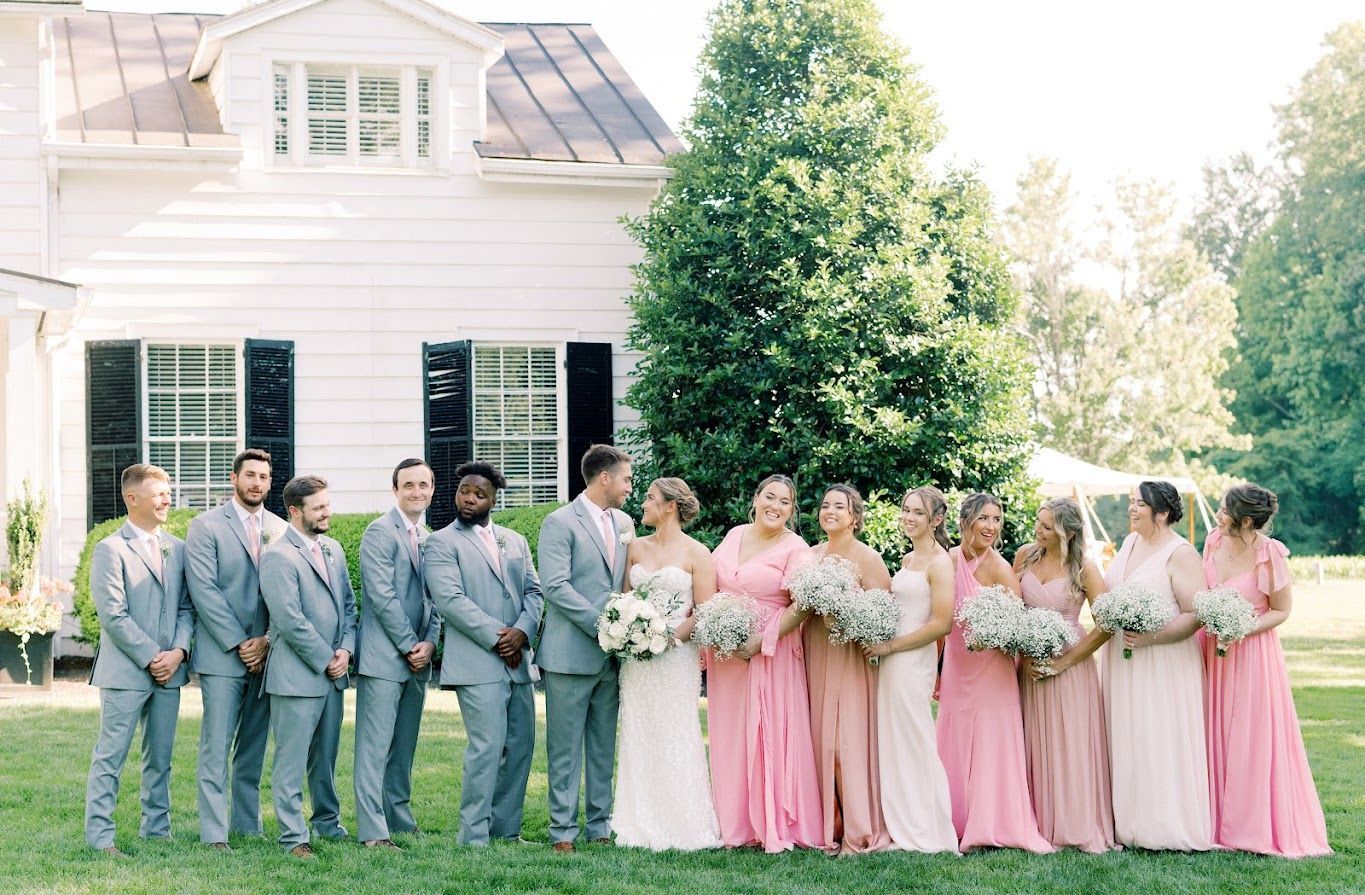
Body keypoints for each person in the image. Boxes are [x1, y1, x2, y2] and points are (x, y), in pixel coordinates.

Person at [1201, 484, 1330, 857]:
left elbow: (1281, 610)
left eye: (1224, 511)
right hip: (1211, 651)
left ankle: (1252, 825)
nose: (1218, 516)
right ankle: (1212, 821)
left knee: (1251, 737)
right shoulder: (1212, 542)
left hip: (1253, 654)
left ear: (1245, 520)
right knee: (1215, 731)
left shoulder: (1270, 554)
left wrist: (1239, 627)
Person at [425, 461, 542, 846]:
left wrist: (522, 632)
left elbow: (534, 593)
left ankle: (506, 831)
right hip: (478, 662)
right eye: (464, 492)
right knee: (487, 747)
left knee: (521, 745)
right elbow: (450, 600)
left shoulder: (515, 541)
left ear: (494, 499)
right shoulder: (442, 542)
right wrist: (499, 638)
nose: (469, 499)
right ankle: (473, 834)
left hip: (517, 662)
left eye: (479, 494)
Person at [706, 474, 825, 853]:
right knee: (731, 734)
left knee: (767, 732)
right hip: (728, 654)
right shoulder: (734, 534)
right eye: (769, 497)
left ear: (792, 510)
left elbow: (803, 605)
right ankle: (734, 823)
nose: (776, 506)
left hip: (772, 652)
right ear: (755, 500)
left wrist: (762, 640)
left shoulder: (797, 548)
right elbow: (712, 583)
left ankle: (771, 821)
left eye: (785, 501)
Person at [84, 464, 193, 856]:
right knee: (110, 758)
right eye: (159, 493)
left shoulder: (178, 547)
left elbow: (186, 607)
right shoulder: (110, 549)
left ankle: (157, 831)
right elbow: (112, 615)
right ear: (132, 499)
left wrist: (179, 653)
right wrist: (152, 657)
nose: (168, 499)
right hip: (125, 672)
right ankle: (100, 838)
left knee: (160, 759)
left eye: (168, 491)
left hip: (170, 672)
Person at [937, 493, 1053, 853]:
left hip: (992, 670)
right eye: (983, 518)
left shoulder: (1001, 568)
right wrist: (938, 670)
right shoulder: (949, 560)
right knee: (953, 739)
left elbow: (1015, 629)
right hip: (958, 666)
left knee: (990, 741)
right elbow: (940, 621)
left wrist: (995, 631)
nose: (991, 526)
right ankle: (954, 818)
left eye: (997, 519)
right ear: (965, 520)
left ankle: (993, 820)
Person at [611, 477, 722, 851]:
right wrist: (630, 634)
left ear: (670, 506)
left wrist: (669, 638)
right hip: (638, 660)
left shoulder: (697, 553)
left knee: (677, 733)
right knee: (638, 732)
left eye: (650, 498)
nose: (642, 503)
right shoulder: (634, 549)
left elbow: (704, 610)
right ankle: (637, 820)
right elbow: (624, 600)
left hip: (676, 658)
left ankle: (683, 821)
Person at [184, 448, 286, 850]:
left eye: (263, 477)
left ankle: (248, 824)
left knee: (254, 744)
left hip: (268, 652)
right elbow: (203, 590)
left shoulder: (281, 528)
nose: (256, 483)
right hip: (222, 654)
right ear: (234, 478)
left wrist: (267, 640)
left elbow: (287, 593)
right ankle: (214, 834)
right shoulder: (205, 526)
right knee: (217, 745)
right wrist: (240, 642)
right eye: (250, 475)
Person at [1103, 480, 1212, 851]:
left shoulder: (1181, 553)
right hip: (1123, 658)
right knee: (1127, 736)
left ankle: (1164, 825)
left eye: (1140, 505)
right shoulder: (1131, 542)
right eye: (1131, 502)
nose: (1131, 509)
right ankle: (1129, 823)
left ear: (1162, 513)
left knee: (1157, 737)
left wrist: (1152, 637)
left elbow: (1196, 614)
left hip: (1164, 662)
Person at [537, 444, 634, 851]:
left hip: (611, 660)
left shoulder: (625, 522)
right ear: (605, 477)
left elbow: (627, 582)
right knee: (564, 750)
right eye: (627, 479)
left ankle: (599, 826)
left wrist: (631, 626)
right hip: (569, 654)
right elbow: (555, 586)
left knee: (601, 746)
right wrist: (604, 625)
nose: (631, 487)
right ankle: (562, 831)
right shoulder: (559, 523)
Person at [259, 475, 357, 858]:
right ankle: (292, 836)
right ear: (295, 512)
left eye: (328, 505)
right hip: (296, 677)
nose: (327, 512)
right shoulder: (278, 557)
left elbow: (349, 605)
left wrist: (346, 651)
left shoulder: (333, 548)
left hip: (334, 673)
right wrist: (325, 658)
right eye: (319, 507)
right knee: (291, 760)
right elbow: (288, 619)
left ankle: (328, 823)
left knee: (326, 757)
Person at [1015, 498, 1117, 853]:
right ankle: (1037, 822)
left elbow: (1107, 624)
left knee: (1069, 742)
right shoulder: (1025, 556)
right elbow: (1012, 608)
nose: (1037, 531)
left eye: (1046, 526)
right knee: (1032, 740)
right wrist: (1021, 649)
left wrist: (1066, 661)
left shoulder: (1085, 569)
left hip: (1069, 666)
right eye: (1038, 522)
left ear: (1068, 532)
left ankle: (1073, 822)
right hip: (1028, 663)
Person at [862, 486, 958, 853]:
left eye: (918, 512)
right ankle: (900, 822)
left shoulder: (939, 563)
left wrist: (890, 646)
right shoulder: (905, 561)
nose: (909, 517)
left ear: (935, 520)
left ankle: (925, 829)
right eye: (906, 510)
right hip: (890, 659)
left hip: (911, 660)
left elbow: (942, 623)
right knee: (894, 740)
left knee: (916, 741)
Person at [353, 459, 441, 850]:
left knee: (404, 744)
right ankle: (373, 830)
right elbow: (382, 596)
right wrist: (410, 645)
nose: (417, 492)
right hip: (384, 657)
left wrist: (431, 642)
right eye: (409, 485)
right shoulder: (378, 533)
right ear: (395, 490)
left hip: (419, 655)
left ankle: (400, 818)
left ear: (432, 489)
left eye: (423, 485)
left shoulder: (431, 536)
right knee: (374, 747)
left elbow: (439, 597)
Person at [803, 484, 891, 854]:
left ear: (854, 516)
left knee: (845, 744)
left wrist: (845, 616)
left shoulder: (866, 557)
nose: (830, 511)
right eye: (825, 505)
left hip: (850, 658)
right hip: (816, 652)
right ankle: (828, 826)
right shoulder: (810, 555)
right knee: (820, 742)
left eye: (839, 506)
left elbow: (885, 617)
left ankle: (857, 827)